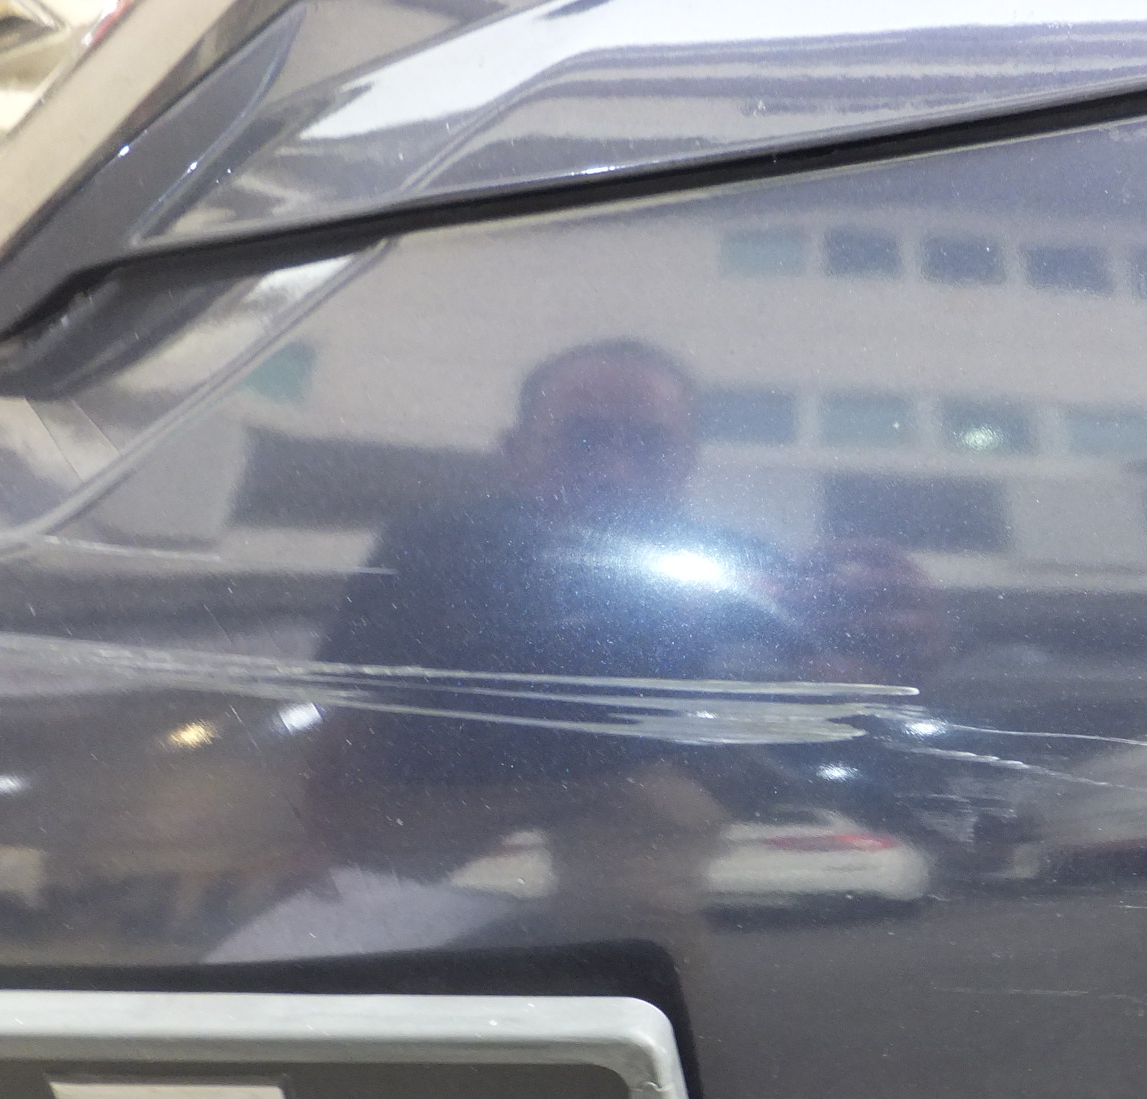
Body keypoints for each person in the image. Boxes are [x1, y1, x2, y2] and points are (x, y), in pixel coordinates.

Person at [302, 341, 795, 949]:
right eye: (582, 440)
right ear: (516, 454)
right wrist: (320, 837)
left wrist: (887, 635)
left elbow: (819, 685)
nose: (615, 473)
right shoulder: (434, 545)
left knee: (644, 934)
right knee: (349, 926)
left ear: (687, 461)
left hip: (630, 784)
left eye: (650, 446)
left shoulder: (730, 566)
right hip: (437, 787)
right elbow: (352, 706)